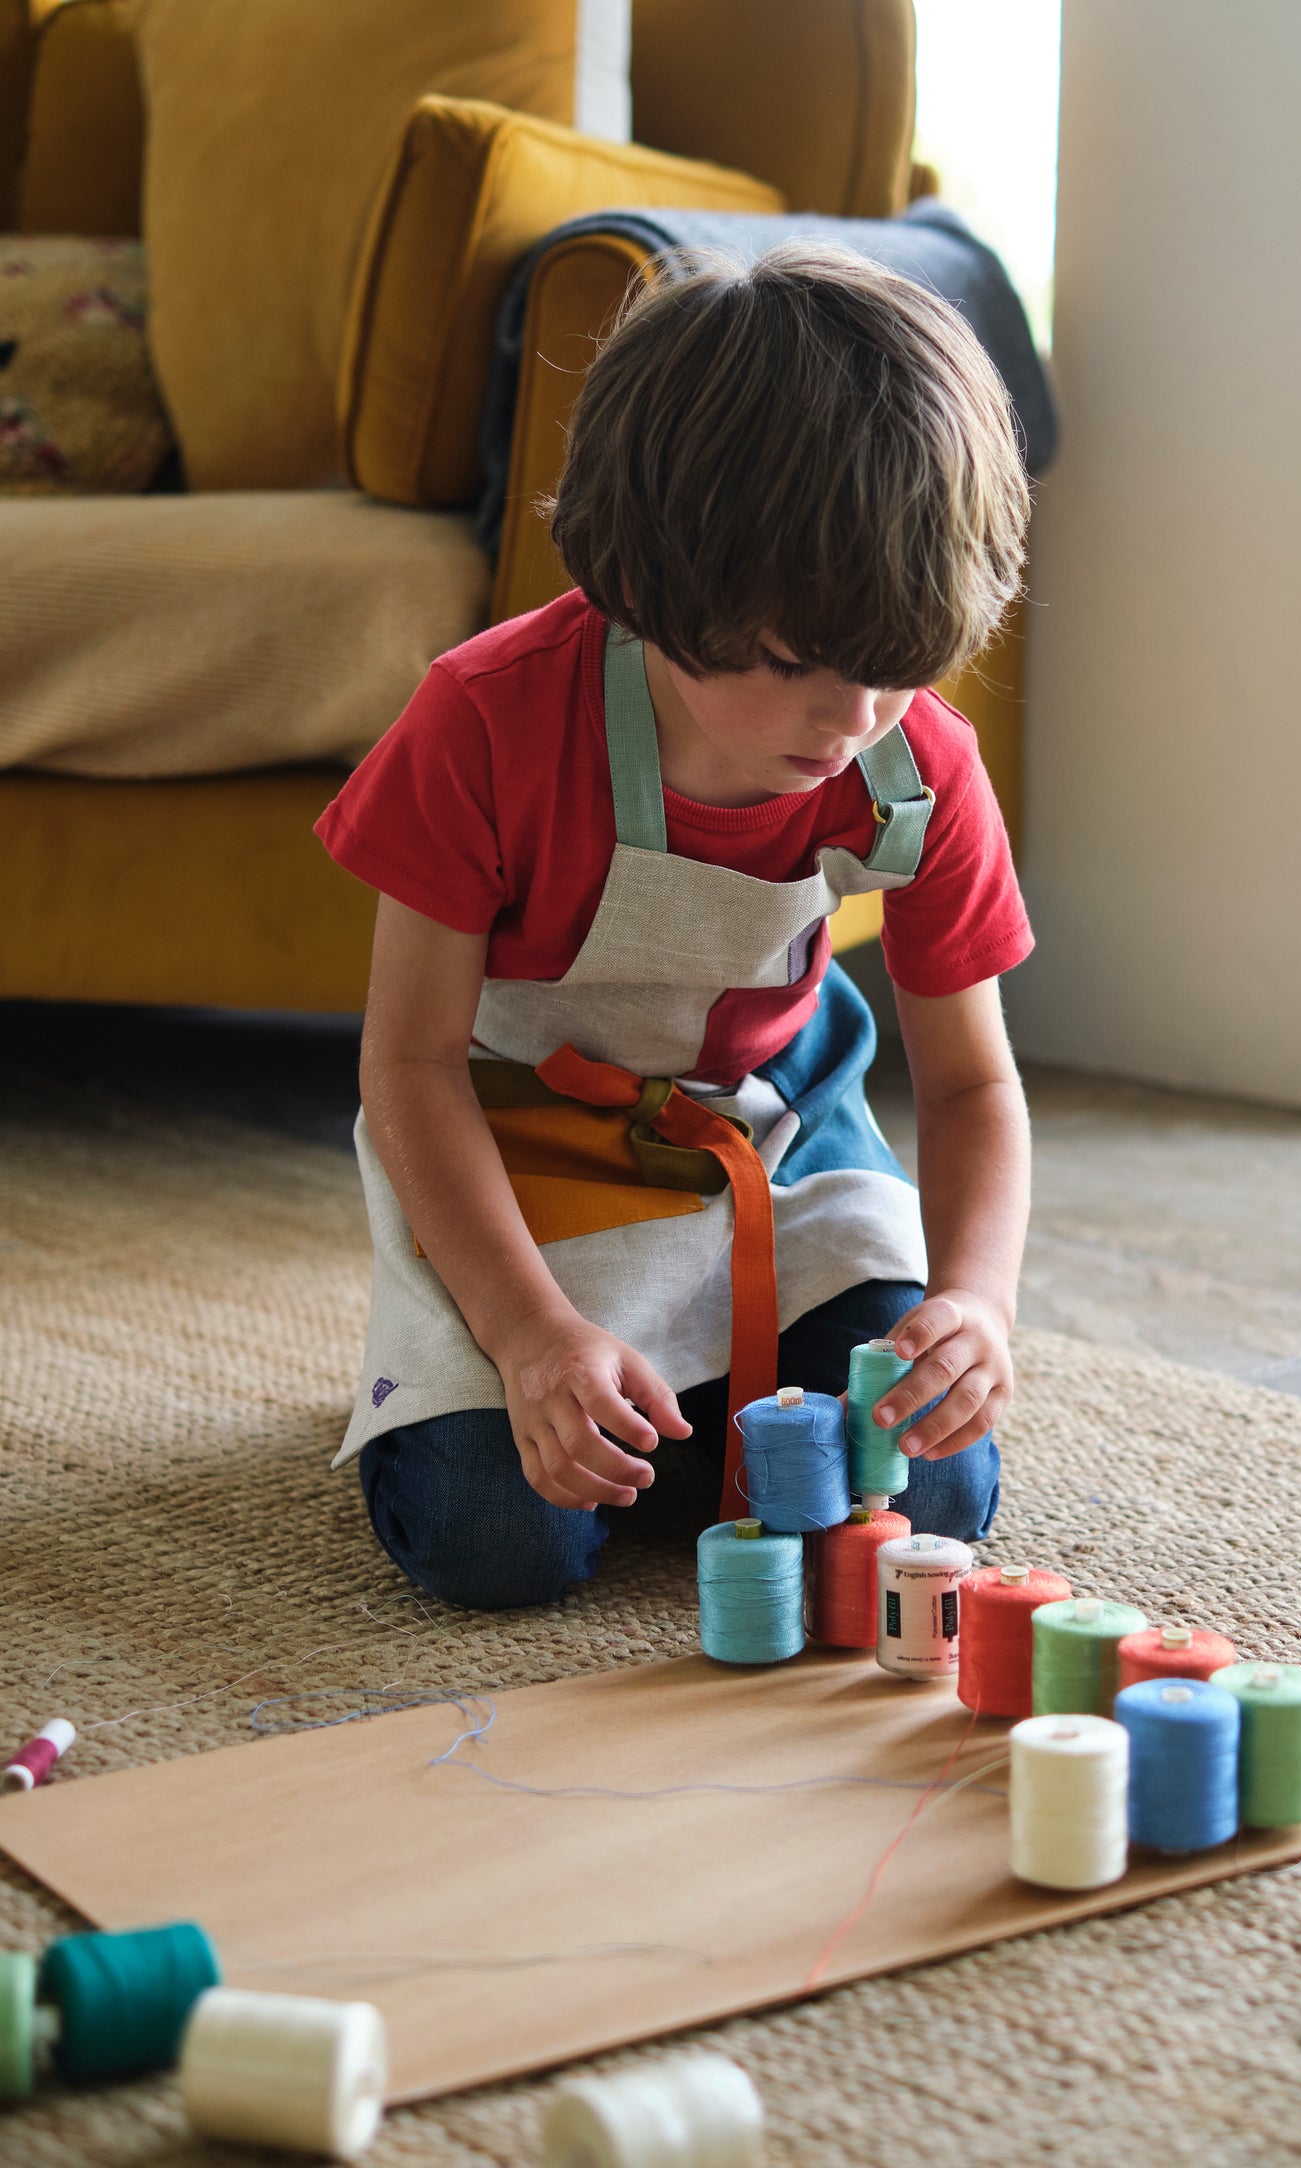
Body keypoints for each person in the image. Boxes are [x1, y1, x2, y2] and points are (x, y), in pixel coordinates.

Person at [315, 243, 1035, 1610]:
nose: (849, 720)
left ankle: (690, 1414)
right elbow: (406, 1071)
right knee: (496, 1540)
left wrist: (977, 1306)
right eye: (790, 664)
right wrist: (530, 1340)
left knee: (929, 1489)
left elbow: (970, 1080)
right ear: (645, 585)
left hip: (768, 1132)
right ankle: (481, 1388)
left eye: (893, 665)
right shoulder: (482, 722)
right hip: (513, 1150)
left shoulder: (912, 762)